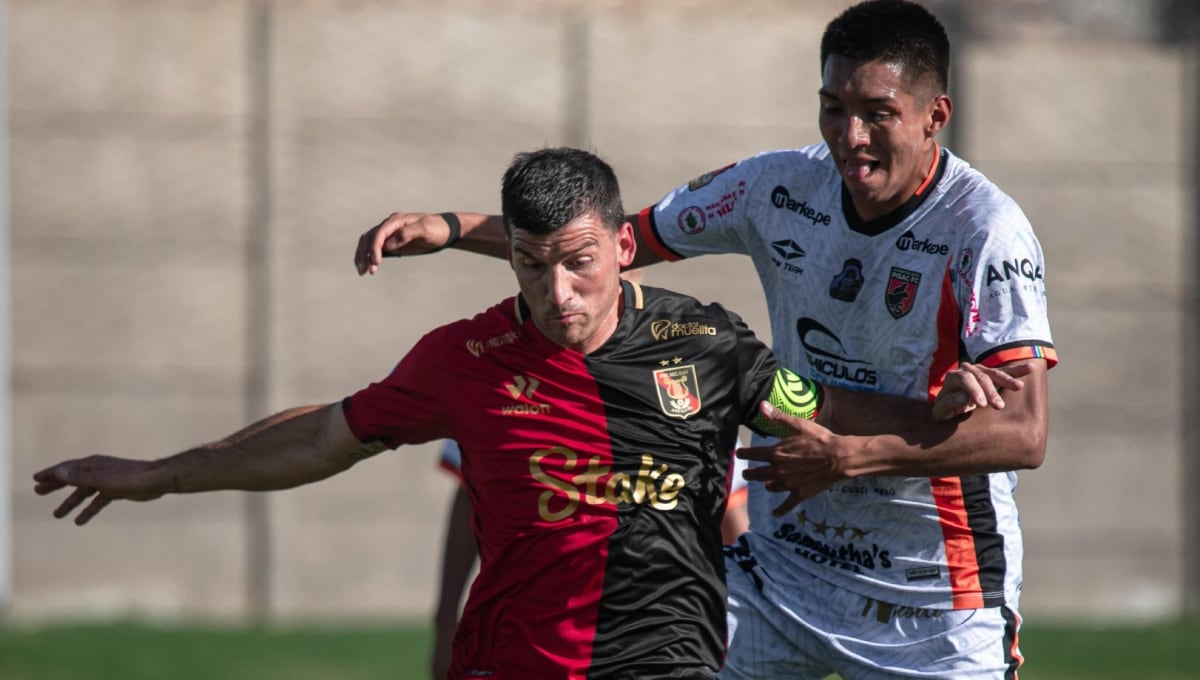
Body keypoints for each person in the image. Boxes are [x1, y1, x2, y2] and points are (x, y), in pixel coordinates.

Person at [41, 147, 997, 679]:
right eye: (531, 263)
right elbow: (324, 437)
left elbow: (817, 407)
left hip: (664, 661)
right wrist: (159, 475)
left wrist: (936, 410)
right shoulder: (465, 359)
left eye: (577, 259)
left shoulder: (710, 348)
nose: (558, 289)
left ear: (624, 247)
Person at [351, 2, 1055, 677]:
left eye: (878, 114)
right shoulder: (776, 187)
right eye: (834, 109)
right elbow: (612, 241)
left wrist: (849, 457)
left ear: (937, 115)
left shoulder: (984, 230)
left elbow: (1023, 434)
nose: (851, 135)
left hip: (933, 598)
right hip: (781, 573)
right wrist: (452, 227)